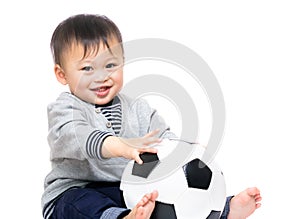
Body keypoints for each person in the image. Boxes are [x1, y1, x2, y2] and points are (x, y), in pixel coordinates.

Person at [41, 14, 261, 219]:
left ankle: (223, 210)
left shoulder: (137, 108)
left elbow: (164, 139)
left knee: (160, 198)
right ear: (62, 74)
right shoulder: (65, 109)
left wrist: (185, 148)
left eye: (110, 65)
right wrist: (120, 146)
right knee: (80, 203)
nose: (102, 77)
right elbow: (78, 136)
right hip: (75, 190)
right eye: (87, 69)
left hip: (125, 190)